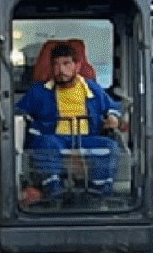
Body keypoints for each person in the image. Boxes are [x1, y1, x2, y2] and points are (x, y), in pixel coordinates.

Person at [16, 38, 126, 198]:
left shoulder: (92, 88)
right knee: (44, 144)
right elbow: (19, 110)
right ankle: (53, 192)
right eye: (56, 64)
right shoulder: (39, 91)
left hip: (88, 138)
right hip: (55, 138)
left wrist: (112, 117)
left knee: (109, 146)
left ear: (77, 66)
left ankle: (100, 193)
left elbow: (112, 106)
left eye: (66, 64)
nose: (61, 69)